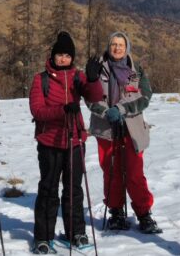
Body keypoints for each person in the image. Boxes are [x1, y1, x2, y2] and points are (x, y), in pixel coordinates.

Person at [28, 31, 104, 254]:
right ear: (52, 56)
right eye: (59, 55)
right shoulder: (40, 79)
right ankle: (43, 237)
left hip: (74, 140)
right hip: (49, 142)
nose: (63, 59)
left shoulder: (78, 77)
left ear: (72, 58)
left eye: (67, 56)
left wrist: (92, 79)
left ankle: (76, 232)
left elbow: (94, 96)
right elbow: (37, 110)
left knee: (74, 190)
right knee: (48, 190)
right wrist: (62, 111)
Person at [86, 31, 159, 233]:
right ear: (109, 46)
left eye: (121, 44)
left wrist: (121, 109)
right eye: (113, 44)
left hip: (132, 128)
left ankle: (144, 213)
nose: (117, 48)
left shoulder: (135, 70)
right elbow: (90, 97)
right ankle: (116, 211)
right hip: (106, 128)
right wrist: (106, 111)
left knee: (135, 172)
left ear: (127, 47)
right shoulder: (98, 68)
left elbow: (144, 96)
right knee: (111, 171)